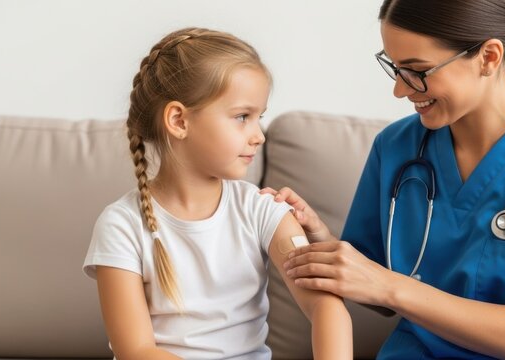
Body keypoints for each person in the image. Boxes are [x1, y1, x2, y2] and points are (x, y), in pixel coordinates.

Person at [262, 1, 505, 358]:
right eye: (395, 68)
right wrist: (325, 247)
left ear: (489, 57)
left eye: (417, 70)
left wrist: (390, 286)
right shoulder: (396, 146)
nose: (400, 90)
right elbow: (375, 287)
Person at [82, 27, 352, 360]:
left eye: (259, 118)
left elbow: (326, 305)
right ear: (179, 120)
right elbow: (135, 350)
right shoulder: (121, 225)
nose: (259, 136)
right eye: (242, 117)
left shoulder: (262, 210)